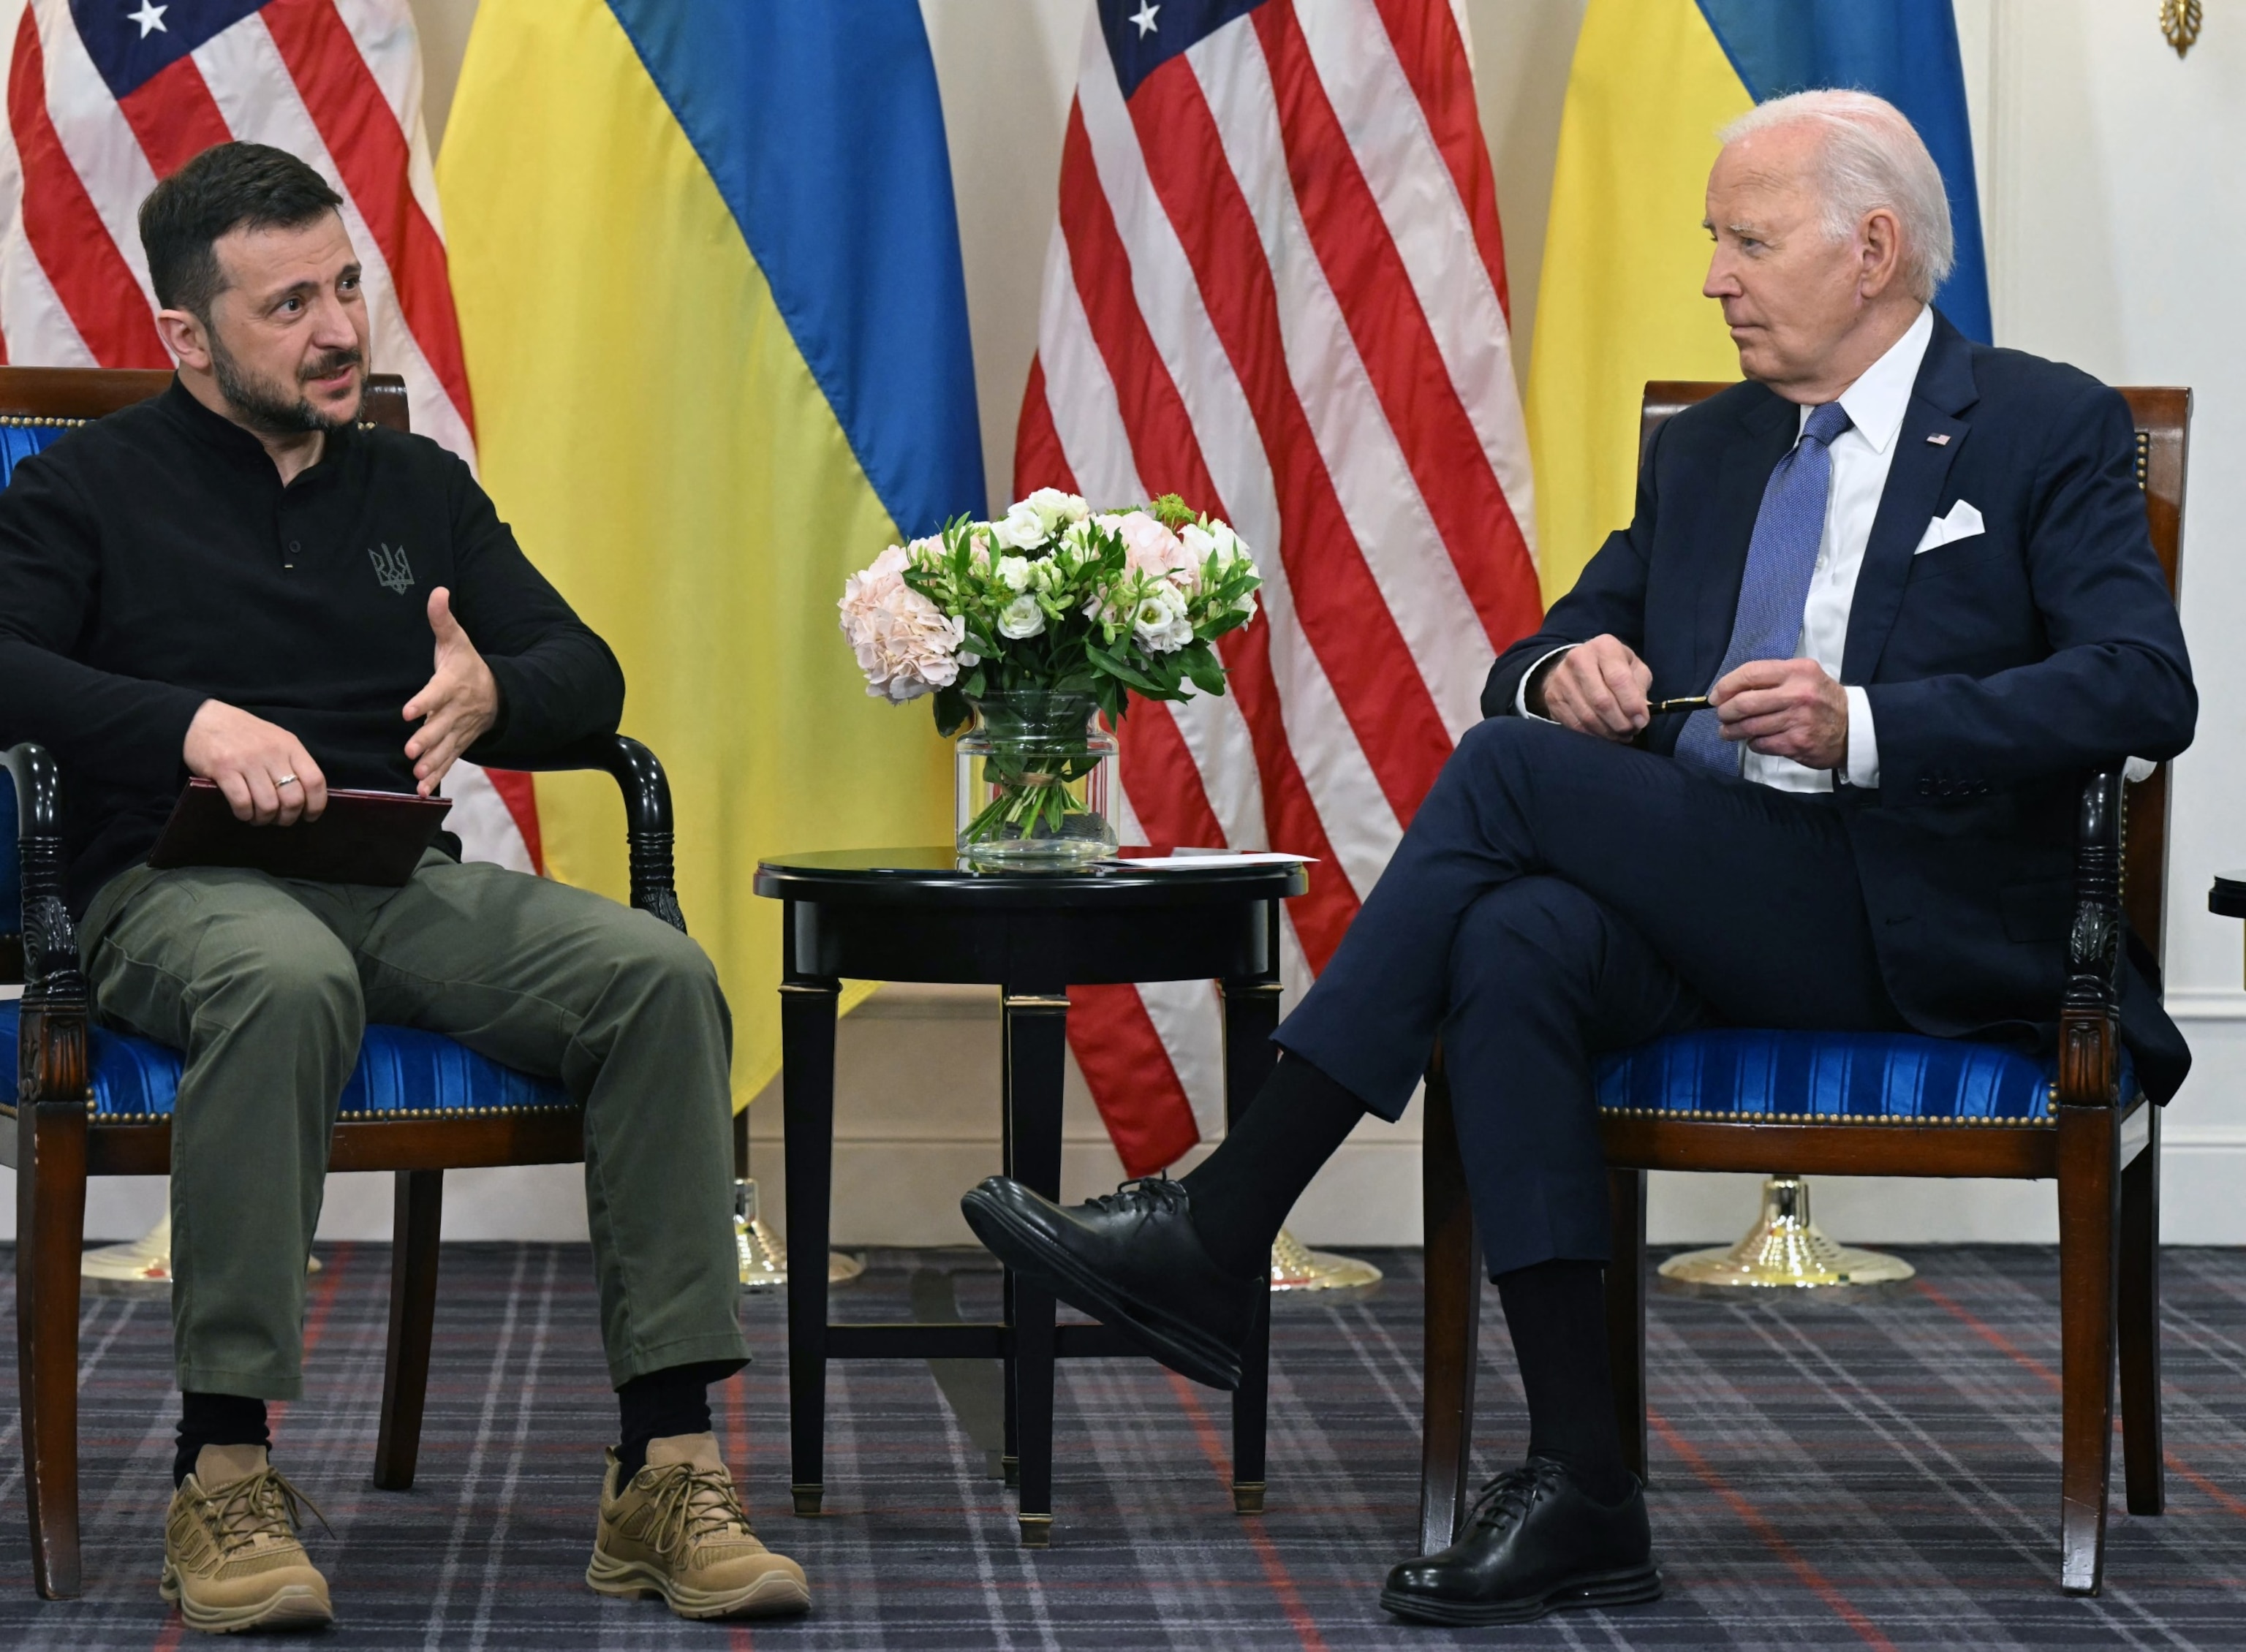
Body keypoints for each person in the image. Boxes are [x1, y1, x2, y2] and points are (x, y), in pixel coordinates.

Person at [961, 90, 2195, 1627]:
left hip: (1920, 920)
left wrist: (1867, 721)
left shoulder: (2041, 425)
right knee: (1513, 938)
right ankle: (1582, 1480)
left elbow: (2146, 687)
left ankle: (1229, 1215)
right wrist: (1565, 679)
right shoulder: (1715, 451)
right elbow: (1533, 654)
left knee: (1504, 792)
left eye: (1748, 241)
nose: (1715, 277)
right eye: (1714, 244)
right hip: (1715, 901)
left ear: (1872, 248)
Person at [0, 143, 808, 1631]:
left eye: (348, 283)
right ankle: (222, 1470)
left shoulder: (418, 487)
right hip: (172, 885)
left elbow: (589, 672)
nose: (338, 329)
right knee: (280, 975)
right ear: (187, 336)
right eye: (287, 302)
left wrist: (500, 691)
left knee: (658, 976)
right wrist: (188, 722)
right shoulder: (84, 492)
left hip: (391, 874)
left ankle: (667, 1462)